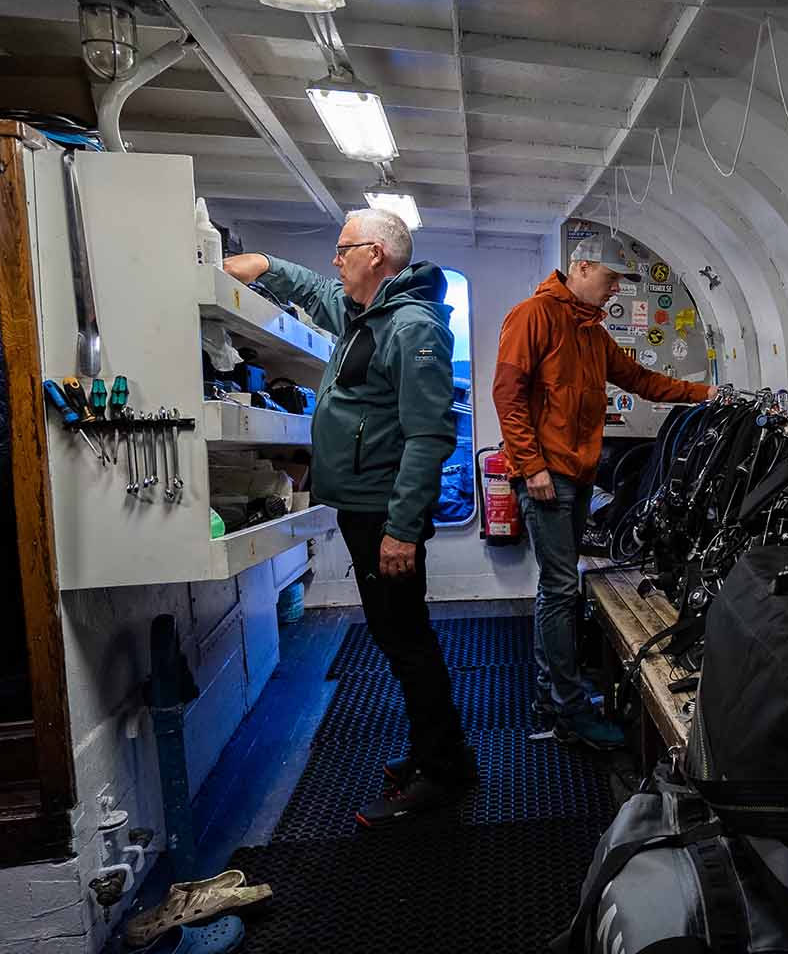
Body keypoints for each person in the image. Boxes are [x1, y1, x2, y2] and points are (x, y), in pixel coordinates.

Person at [223, 209, 472, 825]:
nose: (335, 261)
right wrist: (265, 268)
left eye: (343, 250)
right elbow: (316, 293)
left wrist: (402, 529)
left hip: (385, 514)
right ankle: (435, 754)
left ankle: (445, 771)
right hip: (368, 510)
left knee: (406, 640)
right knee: (398, 637)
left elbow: (428, 435)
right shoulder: (370, 315)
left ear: (377, 256)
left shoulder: (411, 328)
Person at [493, 234, 714, 751]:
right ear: (583, 268)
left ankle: (555, 695)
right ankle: (568, 709)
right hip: (548, 477)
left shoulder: (590, 332)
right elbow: (507, 395)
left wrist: (705, 393)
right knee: (561, 589)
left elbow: (639, 379)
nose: (615, 290)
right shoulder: (534, 316)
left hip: (577, 475)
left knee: (558, 588)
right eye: (612, 279)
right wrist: (532, 468)